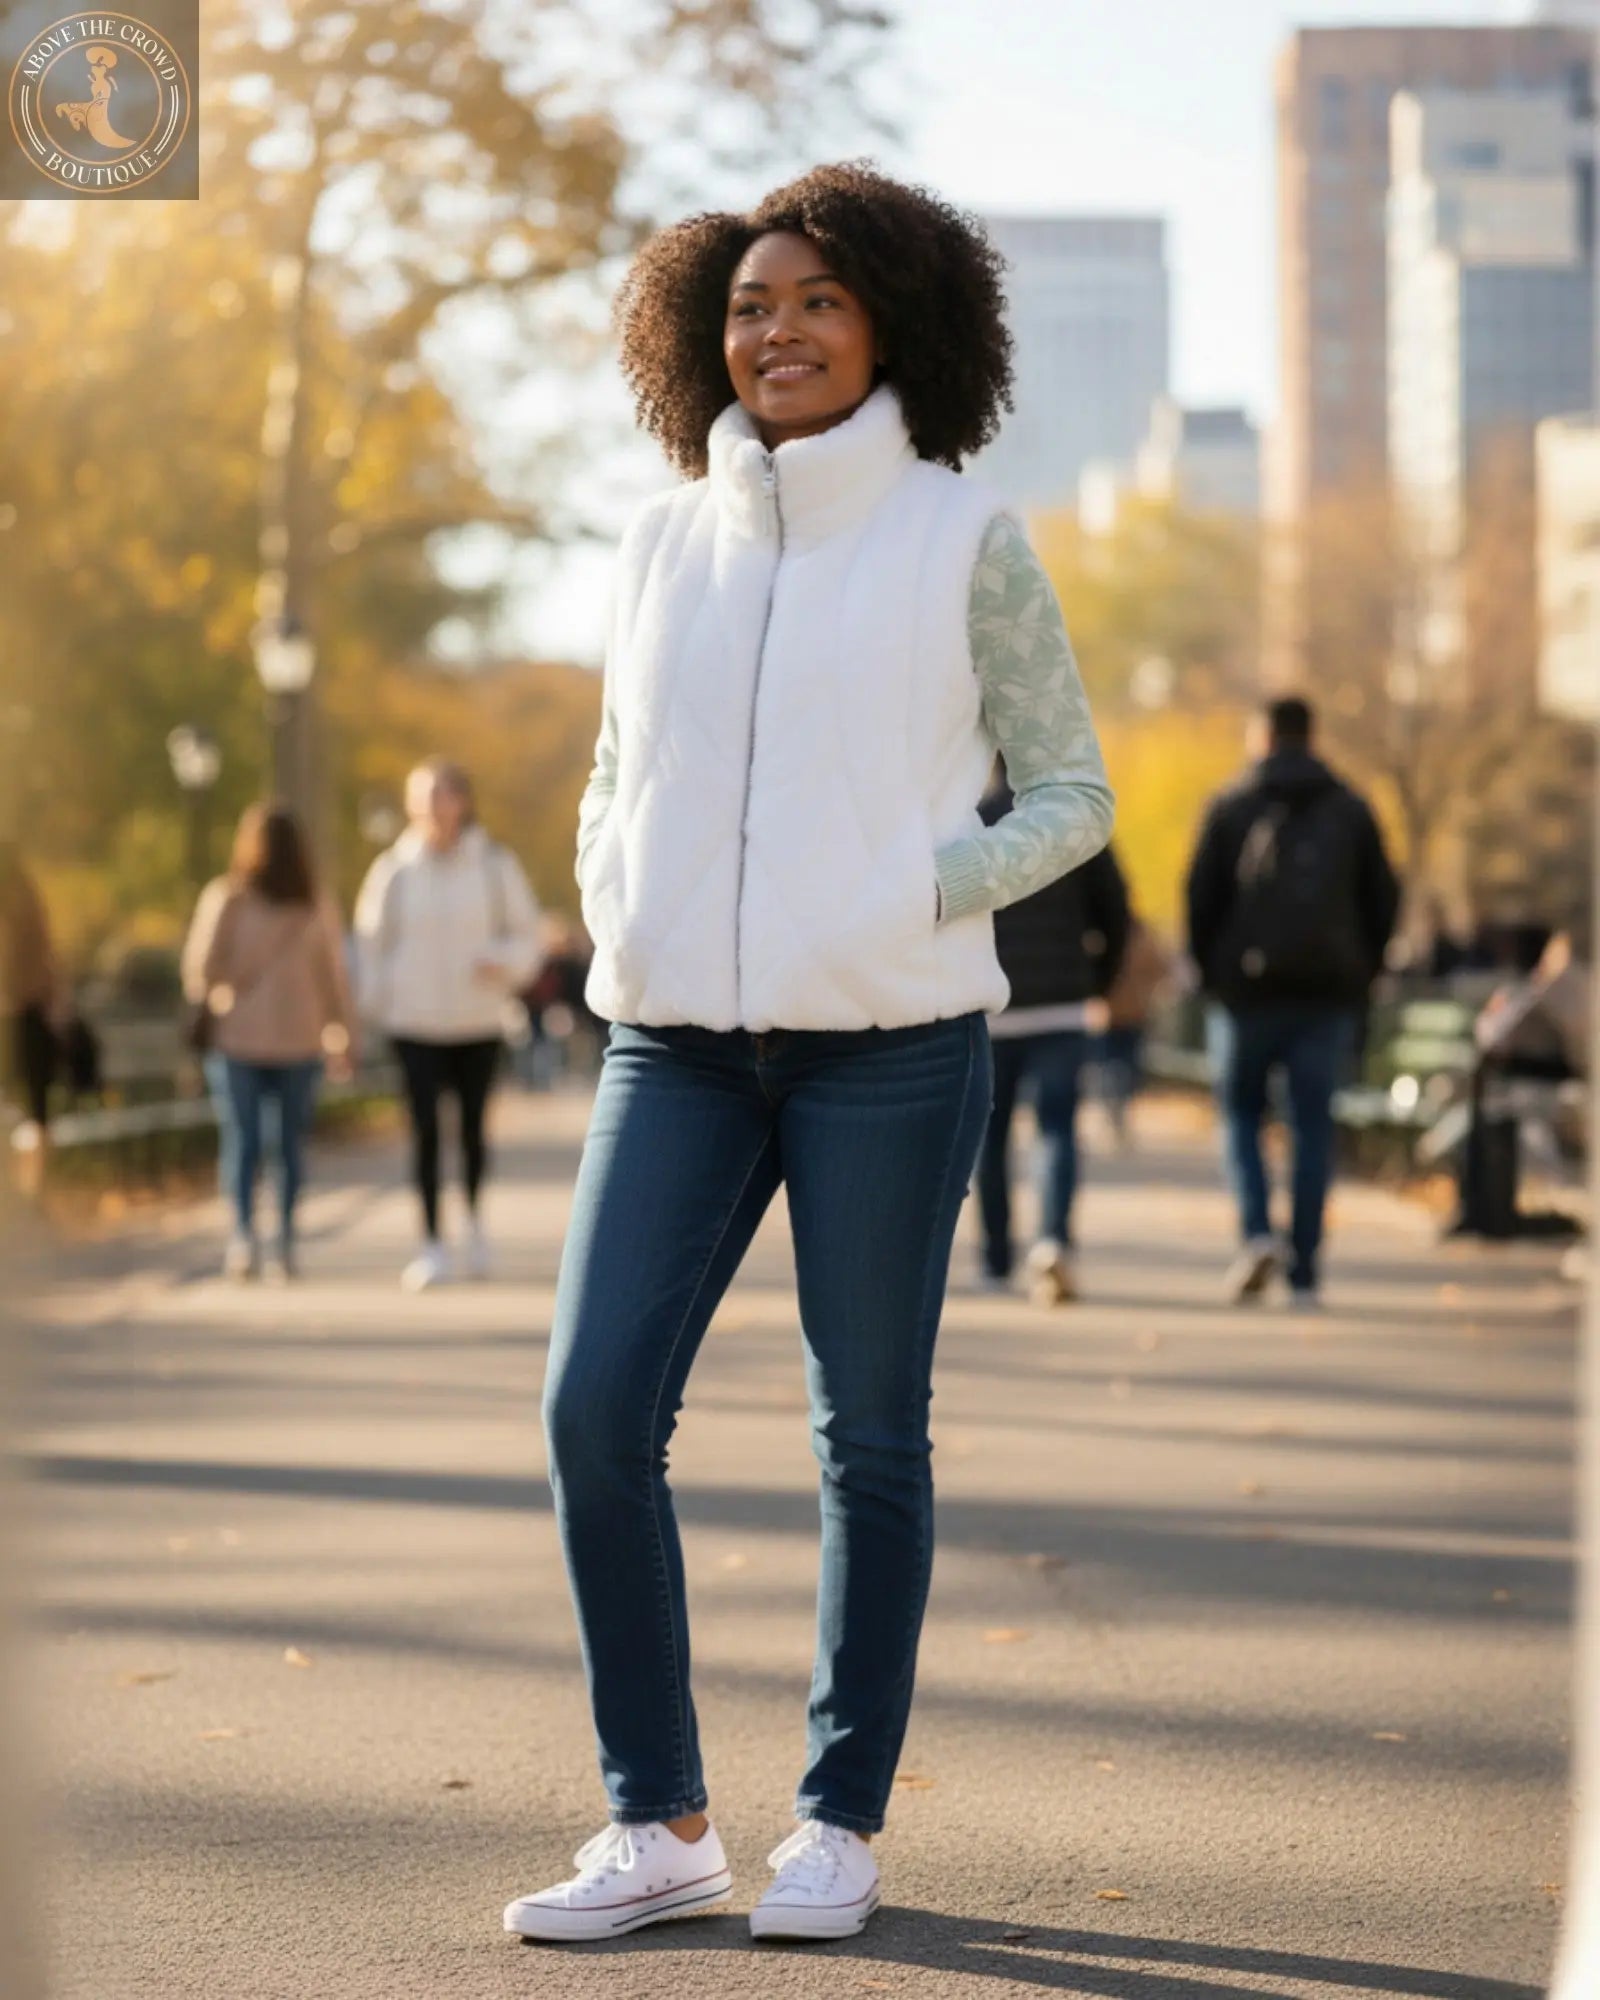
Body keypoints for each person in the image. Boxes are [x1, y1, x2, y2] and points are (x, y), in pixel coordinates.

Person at [503, 164, 1113, 1949]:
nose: (777, 333)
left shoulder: (962, 537)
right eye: (751, 306)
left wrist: (917, 892)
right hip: (675, 1041)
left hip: (891, 1049)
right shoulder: (653, 541)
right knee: (594, 1408)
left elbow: (1071, 792)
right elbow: (619, 771)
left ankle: (836, 1824)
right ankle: (659, 1823)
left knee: (871, 1439)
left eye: (818, 303)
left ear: (890, 328)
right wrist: (618, 889)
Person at [1186, 695, 1398, 1308]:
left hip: (1246, 997)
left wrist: (1212, 976)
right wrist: (1364, 972)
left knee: (1241, 1118)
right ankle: (1305, 1268)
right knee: (1311, 1128)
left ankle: (1257, 1233)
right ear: (1312, 734)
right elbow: (1382, 898)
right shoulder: (1353, 808)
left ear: (1263, 737)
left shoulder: (1231, 806)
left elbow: (1200, 900)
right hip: (1327, 997)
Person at [354, 759, 543, 1290]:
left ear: (462, 800)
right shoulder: (393, 870)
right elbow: (370, 943)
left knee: (473, 1130)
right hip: (412, 1021)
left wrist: (501, 960)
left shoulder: (494, 865)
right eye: (420, 795)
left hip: (478, 1019)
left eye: (439, 793)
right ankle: (431, 1243)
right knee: (424, 1132)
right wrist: (373, 1005)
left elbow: (527, 936)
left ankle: (476, 1226)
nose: (430, 805)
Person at [181, 804, 356, 1281]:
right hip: (292, 1040)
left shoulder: (231, 898)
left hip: (244, 1038)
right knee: (282, 1145)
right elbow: (335, 979)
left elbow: (199, 968)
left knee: (247, 1142)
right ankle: (278, 1239)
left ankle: (248, 1236)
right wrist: (343, 1034)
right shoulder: (308, 902)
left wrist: (228, 983)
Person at [974, 770, 1128, 1303]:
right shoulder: (1072, 820)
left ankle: (995, 1261)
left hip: (991, 1006)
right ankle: (1053, 1241)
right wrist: (1097, 982)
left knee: (989, 1139)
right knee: (1057, 1128)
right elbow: (1116, 911)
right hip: (1063, 1006)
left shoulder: (971, 817)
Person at [1098, 906, 1174, 1148]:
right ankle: (1120, 1105)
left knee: (1110, 1064)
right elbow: (1162, 968)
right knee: (1128, 1064)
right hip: (1136, 1013)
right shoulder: (1145, 939)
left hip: (1109, 1013)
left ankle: (1114, 1105)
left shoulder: (1104, 938)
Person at [0, 843, 59, 1148]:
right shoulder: (29, 902)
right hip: (32, 1014)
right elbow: (49, 962)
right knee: (36, 1114)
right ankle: (30, 1190)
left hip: (15, 1015)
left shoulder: (17, 908)